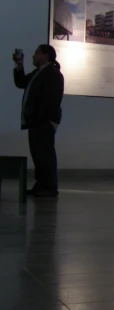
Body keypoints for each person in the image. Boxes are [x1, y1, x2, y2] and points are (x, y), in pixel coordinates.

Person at [12, 45, 64, 197]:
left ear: (45, 55)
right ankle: (42, 185)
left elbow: (51, 100)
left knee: (44, 155)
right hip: (38, 121)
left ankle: (49, 187)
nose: (33, 56)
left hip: (43, 121)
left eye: (36, 53)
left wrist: (40, 118)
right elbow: (21, 83)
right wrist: (19, 66)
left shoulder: (53, 74)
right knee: (39, 154)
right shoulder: (39, 73)